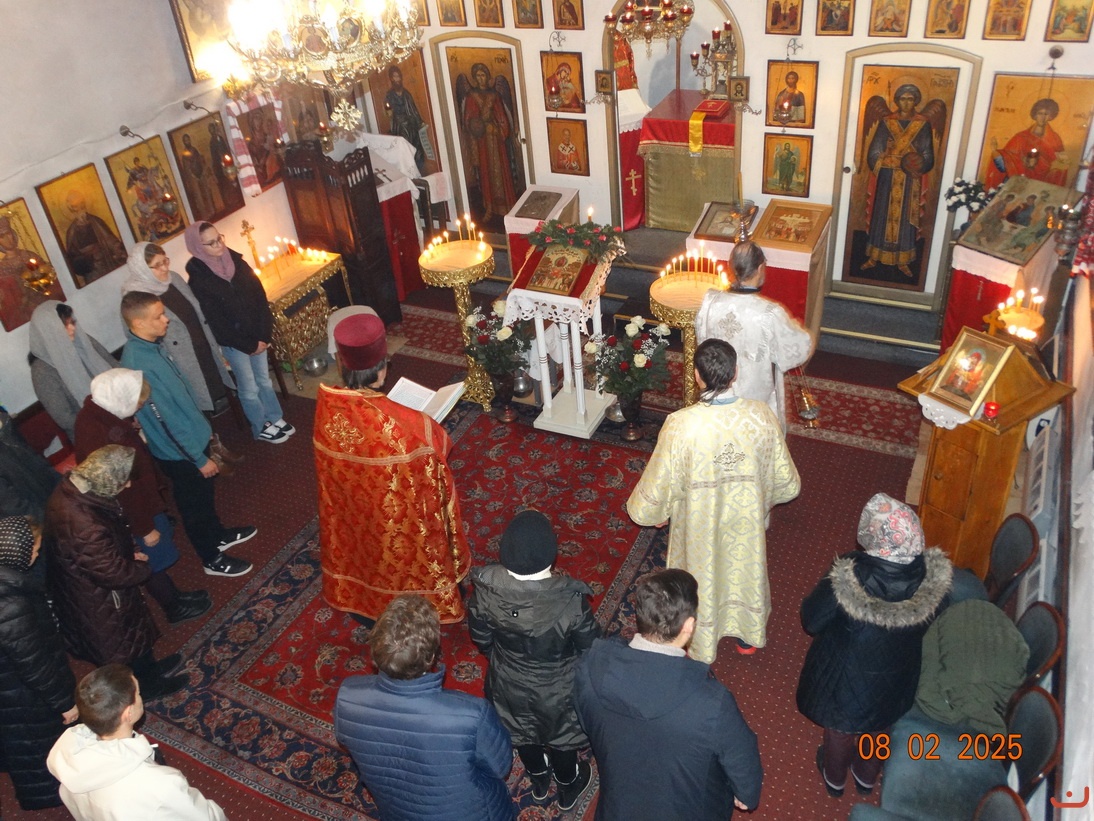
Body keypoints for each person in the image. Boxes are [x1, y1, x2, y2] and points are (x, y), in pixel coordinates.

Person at [626, 339, 800, 661]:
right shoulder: (761, 416)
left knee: (700, 575)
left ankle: (702, 642)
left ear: (696, 375)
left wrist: (658, 511)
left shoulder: (681, 425)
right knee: (742, 569)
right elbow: (786, 483)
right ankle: (747, 634)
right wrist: (759, 499)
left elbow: (658, 487)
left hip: (700, 525)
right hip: (745, 522)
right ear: (735, 373)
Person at [315, 312, 471, 622]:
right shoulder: (402, 423)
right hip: (397, 518)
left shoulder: (328, 408)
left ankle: (365, 598)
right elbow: (436, 452)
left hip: (357, 515)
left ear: (343, 364)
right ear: (383, 367)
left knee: (363, 535)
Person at [574, 569, 763, 820]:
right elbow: (744, 767)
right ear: (689, 626)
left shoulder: (590, 668)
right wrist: (746, 794)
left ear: (640, 615)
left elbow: (586, 721)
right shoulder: (712, 703)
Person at [796, 493, 952, 797]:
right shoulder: (933, 581)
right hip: (899, 673)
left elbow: (811, 620)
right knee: (882, 722)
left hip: (846, 677)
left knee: (841, 729)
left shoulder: (847, 578)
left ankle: (834, 779)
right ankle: (866, 777)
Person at [334, 594, 516, 821]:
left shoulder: (347, 697)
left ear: (375, 652)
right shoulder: (471, 715)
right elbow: (501, 766)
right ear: (432, 656)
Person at [467, 510, 598, 810]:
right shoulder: (571, 602)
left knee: (521, 731)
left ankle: (538, 778)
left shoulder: (484, 593)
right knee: (562, 738)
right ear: (552, 556)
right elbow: (591, 648)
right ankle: (568, 784)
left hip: (507, 682)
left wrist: (502, 660)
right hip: (558, 691)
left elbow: (482, 638)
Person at [120, 291, 255, 578]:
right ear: (138, 323)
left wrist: (203, 431)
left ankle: (217, 534)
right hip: (180, 454)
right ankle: (211, 558)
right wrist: (197, 458)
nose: (166, 320)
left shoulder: (152, 347)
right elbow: (166, 421)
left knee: (205, 497)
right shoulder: (139, 363)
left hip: (191, 440)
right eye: (158, 316)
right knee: (194, 507)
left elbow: (180, 397)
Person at [43, 445, 186, 700]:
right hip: (97, 600)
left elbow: (110, 535)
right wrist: (141, 566)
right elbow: (112, 574)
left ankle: (151, 671)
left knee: (133, 637)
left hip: (96, 590)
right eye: (124, 480)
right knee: (124, 645)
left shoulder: (82, 490)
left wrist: (128, 552)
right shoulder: (83, 523)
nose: (128, 485)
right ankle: (149, 687)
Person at [75, 369, 211, 623]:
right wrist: (144, 527)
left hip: (140, 503)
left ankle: (176, 596)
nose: (140, 406)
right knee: (150, 561)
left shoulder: (100, 414)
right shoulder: (102, 433)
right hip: (135, 511)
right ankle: (173, 607)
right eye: (137, 401)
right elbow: (123, 491)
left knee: (154, 557)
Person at [48, 664, 228, 820]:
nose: (141, 697)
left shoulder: (69, 758)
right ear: (128, 713)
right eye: (139, 694)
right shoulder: (161, 784)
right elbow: (205, 817)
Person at [184, 221, 293, 443]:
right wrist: (248, 344)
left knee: (264, 380)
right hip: (235, 343)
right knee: (249, 387)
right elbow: (216, 322)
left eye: (219, 238)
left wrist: (263, 335)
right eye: (211, 243)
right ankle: (261, 425)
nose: (219, 245)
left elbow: (259, 296)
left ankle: (274, 416)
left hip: (258, 335)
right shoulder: (198, 280)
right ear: (197, 247)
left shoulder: (237, 262)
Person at [0, 516, 78, 811]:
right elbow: (35, 665)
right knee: (39, 744)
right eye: (33, 549)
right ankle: (49, 796)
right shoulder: (10, 605)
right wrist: (64, 703)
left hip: (10, 685)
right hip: (23, 693)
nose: (36, 555)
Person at [694, 242, 813, 430]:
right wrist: (803, 331)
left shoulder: (710, 302)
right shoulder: (769, 313)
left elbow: (701, 341)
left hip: (715, 391)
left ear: (731, 266)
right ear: (760, 268)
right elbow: (797, 349)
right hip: (755, 403)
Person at [122, 242, 234, 415]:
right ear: (142, 269)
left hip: (201, 343)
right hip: (178, 357)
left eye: (165, 261)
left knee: (217, 389)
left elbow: (195, 309)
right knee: (195, 401)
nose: (165, 268)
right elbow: (137, 335)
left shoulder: (174, 278)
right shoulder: (135, 297)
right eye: (157, 265)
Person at [861, 84, 937, 279]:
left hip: (909, 178)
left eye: (910, 99)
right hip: (887, 177)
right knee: (882, 214)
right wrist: (883, 160)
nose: (906, 103)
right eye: (902, 98)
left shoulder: (922, 123)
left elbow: (928, 153)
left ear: (916, 101)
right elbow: (874, 151)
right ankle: (874, 256)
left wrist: (918, 164)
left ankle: (903, 260)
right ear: (896, 100)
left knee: (905, 217)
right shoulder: (887, 122)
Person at [28, 300, 118, 441]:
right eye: (65, 326)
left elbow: (115, 368)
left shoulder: (84, 341)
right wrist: (106, 420)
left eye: (72, 323)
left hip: (119, 418)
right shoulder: (42, 371)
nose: (72, 329)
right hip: (90, 435)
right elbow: (64, 418)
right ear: (49, 333)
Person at [460, 63, 518, 221]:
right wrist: (479, 126)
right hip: (482, 142)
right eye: (478, 76)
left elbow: (502, 117)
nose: (481, 78)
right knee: (486, 173)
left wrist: (499, 129)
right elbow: (468, 119)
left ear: (487, 76)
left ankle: (508, 207)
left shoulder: (495, 95)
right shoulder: (472, 96)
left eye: (483, 75)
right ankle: (489, 208)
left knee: (502, 172)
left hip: (497, 141)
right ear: (474, 78)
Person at [0, 407, 60, 519]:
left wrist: (68, 491)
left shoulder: (6, 428)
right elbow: (14, 507)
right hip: (38, 522)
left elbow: (41, 466)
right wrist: (52, 519)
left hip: (56, 503)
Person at [61, 191, 127, 286]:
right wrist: (87, 258)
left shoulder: (97, 222)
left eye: (81, 204)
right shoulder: (71, 231)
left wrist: (117, 247)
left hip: (107, 262)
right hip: (91, 270)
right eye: (75, 206)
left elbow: (109, 239)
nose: (79, 208)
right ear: (71, 208)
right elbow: (73, 257)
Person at [385, 65, 429, 175]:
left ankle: (419, 171)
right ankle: (410, 173)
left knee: (417, 151)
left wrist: (420, 122)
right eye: (395, 76)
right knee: (406, 151)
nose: (397, 79)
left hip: (412, 127)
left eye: (398, 76)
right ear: (391, 78)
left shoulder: (406, 94)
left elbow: (413, 109)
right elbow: (389, 112)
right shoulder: (390, 95)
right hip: (400, 127)